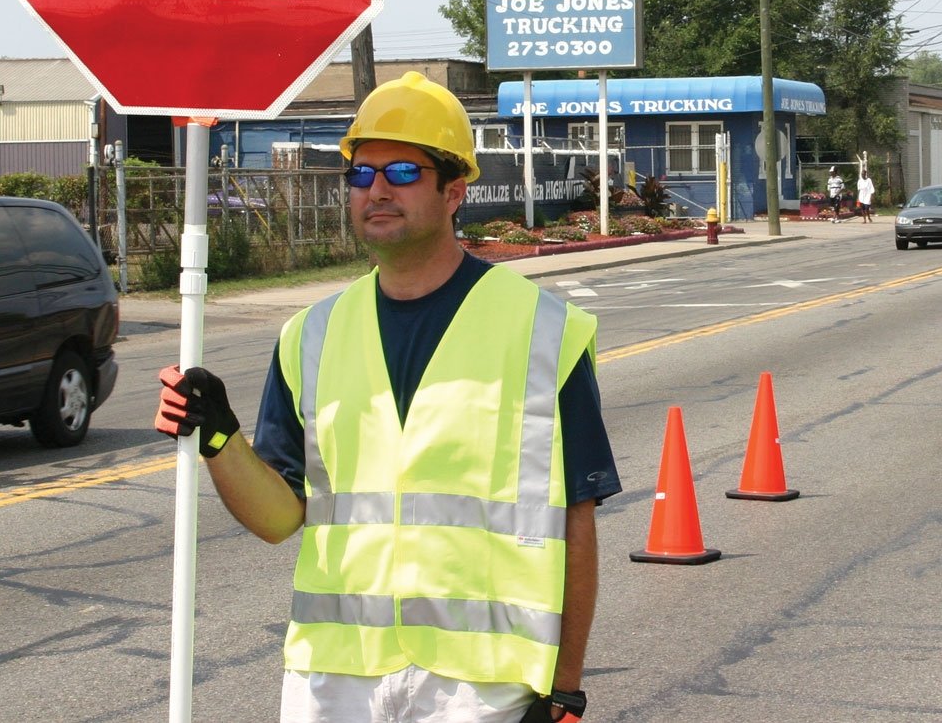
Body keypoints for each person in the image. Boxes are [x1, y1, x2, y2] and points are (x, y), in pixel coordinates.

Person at [155, 71, 619, 723]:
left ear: (454, 190)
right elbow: (280, 517)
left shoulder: (544, 330)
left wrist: (566, 688)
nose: (376, 188)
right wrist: (219, 437)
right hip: (336, 681)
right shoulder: (309, 336)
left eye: (402, 170)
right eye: (361, 173)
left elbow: (577, 517)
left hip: (479, 687)